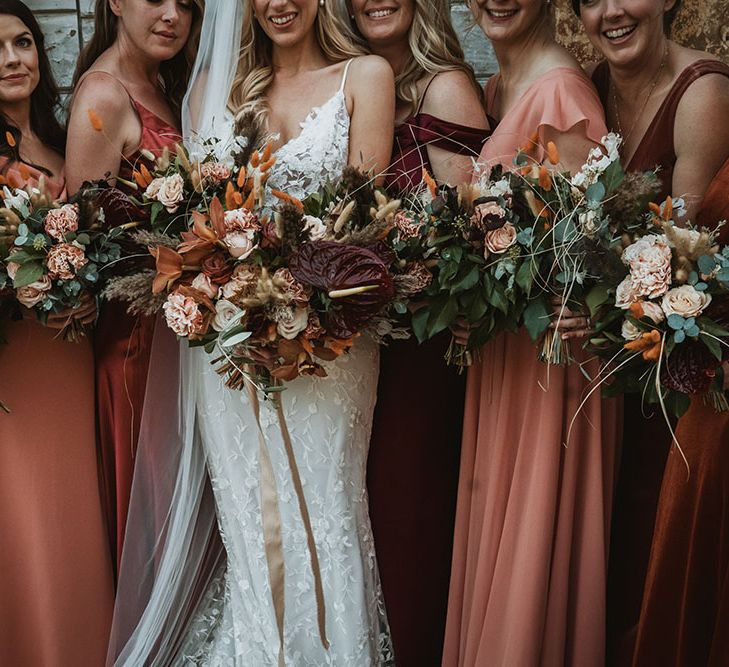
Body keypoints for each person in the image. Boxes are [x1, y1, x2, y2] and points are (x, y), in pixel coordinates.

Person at [109, 0, 397, 664]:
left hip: (329, 344)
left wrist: (298, 298)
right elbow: (196, 221)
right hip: (227, 343)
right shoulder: (214, 88)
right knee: (251, 521)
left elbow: (363, 231)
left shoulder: (365, 78)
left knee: (325, 510)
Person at [442, 0, 619, 665]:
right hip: (506, 358)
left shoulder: (559, 94)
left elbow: (581, 267)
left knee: (528, 558)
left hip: (551, 370)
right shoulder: (497, 88)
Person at [574, 0, 729, 663]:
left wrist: (589, 310)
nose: (608, 12)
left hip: (680, 369)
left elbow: (683, 259)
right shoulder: (587, 88)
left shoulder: (703, 94)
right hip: (607, 362)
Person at [342, 0, 489, 662]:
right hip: (359, 353)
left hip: (421, 351)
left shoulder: (445, 87)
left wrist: (401, 273)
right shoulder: (351, 81)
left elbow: (471, 244)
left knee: (406, 520)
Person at [65, 0, 203, 573]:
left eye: (188, 5)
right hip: (135, 345)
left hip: (179, 330)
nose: (172, 15)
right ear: (116, 3)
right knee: (150, 504)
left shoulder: (163, 84)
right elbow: (85, 248)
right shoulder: (104, 94)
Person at [0, 2, 114, 664]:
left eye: (23, 42)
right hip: (20, 366)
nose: (14, 58)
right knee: (27, 515)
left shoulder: (56, 137)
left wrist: (83, 297)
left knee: (73, 514)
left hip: (69, 361)